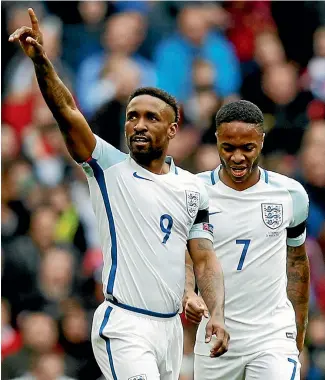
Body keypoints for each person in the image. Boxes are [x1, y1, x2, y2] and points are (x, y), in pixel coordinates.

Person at [9, 9, 230, 380]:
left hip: (170, 331)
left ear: (174, 128)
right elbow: (66, 111)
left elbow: (201, 257)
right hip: (125, 323)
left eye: (150, 117)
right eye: (132, 116)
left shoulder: (192, 188)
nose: (138, 124)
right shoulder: (109, 167)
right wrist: (43, 63)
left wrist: (209, 307)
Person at [184, 100, 310, 379]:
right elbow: (186, 255)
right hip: (215, 334)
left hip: (272, 335)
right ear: (217, 140)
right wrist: (188, 291)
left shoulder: (290, 195)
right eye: (228, 148)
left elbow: (297, 264)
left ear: (261, 142)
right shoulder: (194, 191)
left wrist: (298, 330)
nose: (238, 157)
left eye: (247, 148)